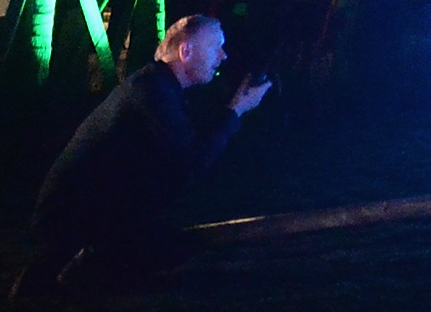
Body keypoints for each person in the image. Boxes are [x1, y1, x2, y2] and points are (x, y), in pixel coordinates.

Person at [18, 15, 271, 294]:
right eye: (216, 48)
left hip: (81, 211)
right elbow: (192, 160)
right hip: (72, 220)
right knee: (173, 252)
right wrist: (236, 109)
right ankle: (80, 268)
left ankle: (80, 267)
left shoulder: (155, 85)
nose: (223, 56)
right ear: (185, 52)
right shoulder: (153, 93)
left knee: (173, 245)